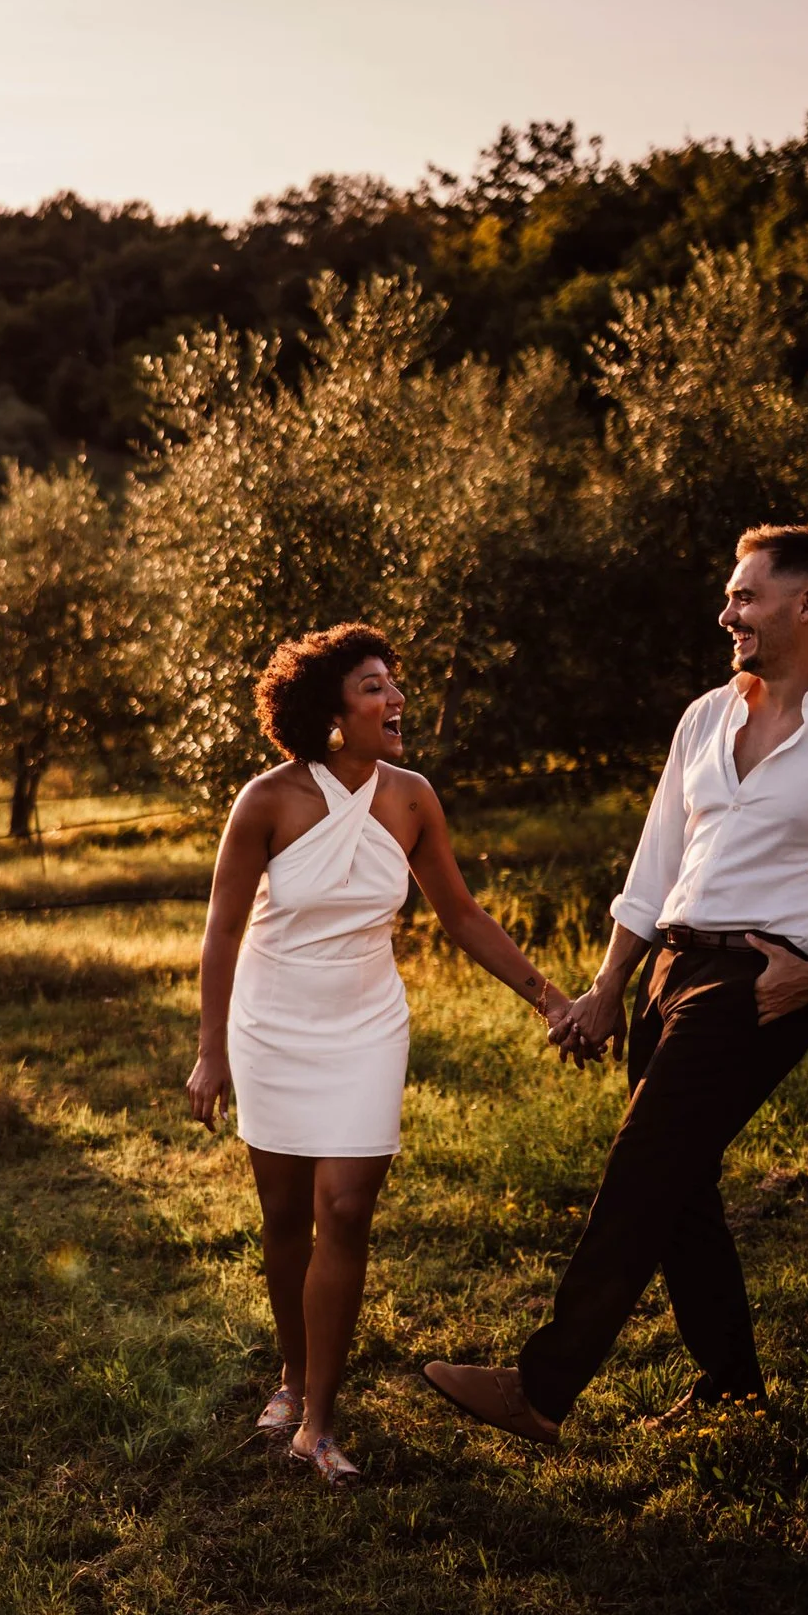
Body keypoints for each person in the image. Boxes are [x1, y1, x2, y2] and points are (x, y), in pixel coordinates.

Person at [423, 525, 808, 1446]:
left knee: (644, 1165)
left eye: (746, 597)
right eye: (730, 596)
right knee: (681, 1185)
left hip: (759, 983)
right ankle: (735, 1388)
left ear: (807, 605)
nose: (728, 613)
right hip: (669, 969)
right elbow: (656, 859)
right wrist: (606, 986)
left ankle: (543, 1389)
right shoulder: (706, 716)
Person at [185, 623, 577, 1487]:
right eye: (375, 688)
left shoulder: (411, 798)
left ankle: (317, 1422)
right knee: (286, 1216)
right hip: (273, 1021)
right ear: (332, 711)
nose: (396, 700)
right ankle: (291, 1374)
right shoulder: (266, 800)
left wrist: (551, 997)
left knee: (348, 1207)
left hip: (367, 1022)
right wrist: (210, 1049)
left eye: (394, 686)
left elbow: (463, 916)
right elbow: (220, 931)